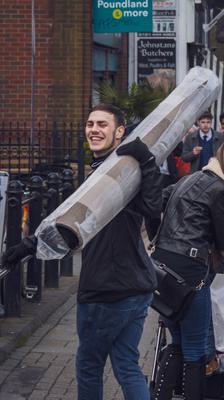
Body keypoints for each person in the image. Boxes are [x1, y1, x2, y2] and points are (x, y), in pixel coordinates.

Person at [2, 103, 162, 400]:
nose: (94, 130)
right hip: (137, 285)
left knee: (89, 366)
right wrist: (27, 247)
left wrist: (147, 161)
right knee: (127, 365)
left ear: (120, 132)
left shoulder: (120, 171)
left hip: (106, 290)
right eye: (90, 124)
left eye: (103, 124)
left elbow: (153, 208)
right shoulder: (106, 170)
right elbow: (71, 226)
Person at [151, 136, 224, 400]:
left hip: (163, 273)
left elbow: (156, 205)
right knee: (196, 351)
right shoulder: (221, 189)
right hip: (192, 276)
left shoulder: (190, 178)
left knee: (176, 343)